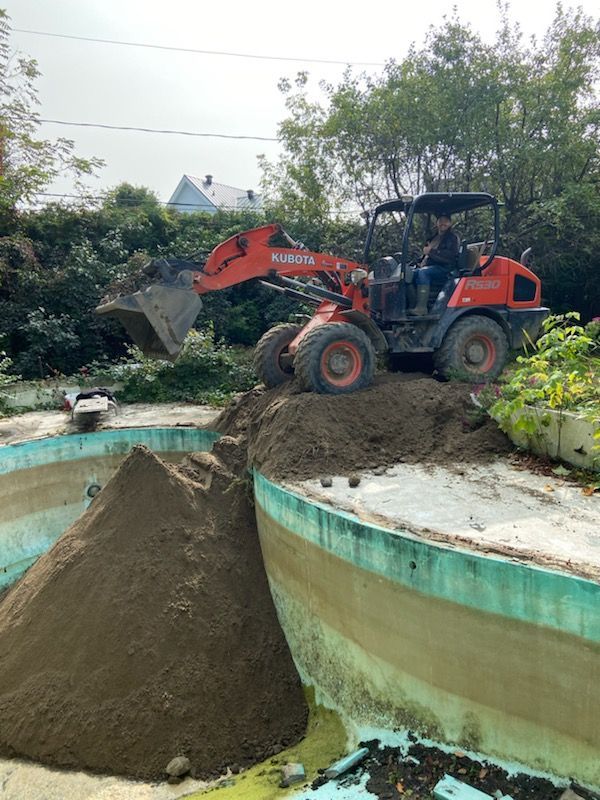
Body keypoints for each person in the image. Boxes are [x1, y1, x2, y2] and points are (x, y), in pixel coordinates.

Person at [408, 214, 460, 316]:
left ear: (450, 223)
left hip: (445, 269)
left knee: (423, 273)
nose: (443, 223)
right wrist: (417, 262)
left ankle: (421, 308)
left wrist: (431, 252)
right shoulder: (433, 238)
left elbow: (450, 256)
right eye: (440, 220)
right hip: (431, 267)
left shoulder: (452, 238)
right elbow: (426, 255)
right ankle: (411, 305)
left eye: (446, 221)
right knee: (409, 274)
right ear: (437, 223)